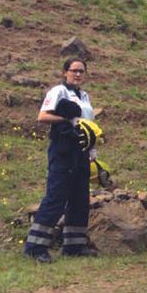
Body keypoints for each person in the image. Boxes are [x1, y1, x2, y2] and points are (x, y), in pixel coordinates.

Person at [24, 58, 101, 263]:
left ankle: (74, 245)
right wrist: (66, 119)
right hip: (63, 150)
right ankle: (35, 246)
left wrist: (93, 153)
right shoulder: (58, 91)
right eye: (74, 70)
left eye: (81, 71)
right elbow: (42, 117)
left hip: (82, 152)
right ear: (65, 72)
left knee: (79, 199)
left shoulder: (84, 96)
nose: (77, 74)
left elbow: (88, 126)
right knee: (56, 198)